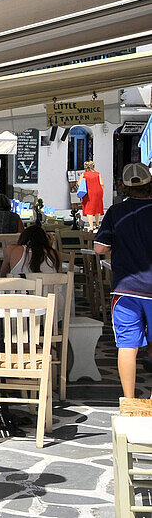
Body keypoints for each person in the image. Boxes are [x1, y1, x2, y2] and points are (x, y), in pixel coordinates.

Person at [95, 162, 152, 399]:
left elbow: (99, 248)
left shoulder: (116, 212)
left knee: (128, 345)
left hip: (126, 289)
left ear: (124, 187)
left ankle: (129, 401)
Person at [81, 160, 105, 231]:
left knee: (89, 209)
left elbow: (79, 183)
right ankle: (97, 224)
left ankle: (91, 226)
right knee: (97, 207)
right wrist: (102, 192)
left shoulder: (84, 174)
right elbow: (102, 184)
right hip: (98, 192)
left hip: (88, 193)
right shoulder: (98, 174)